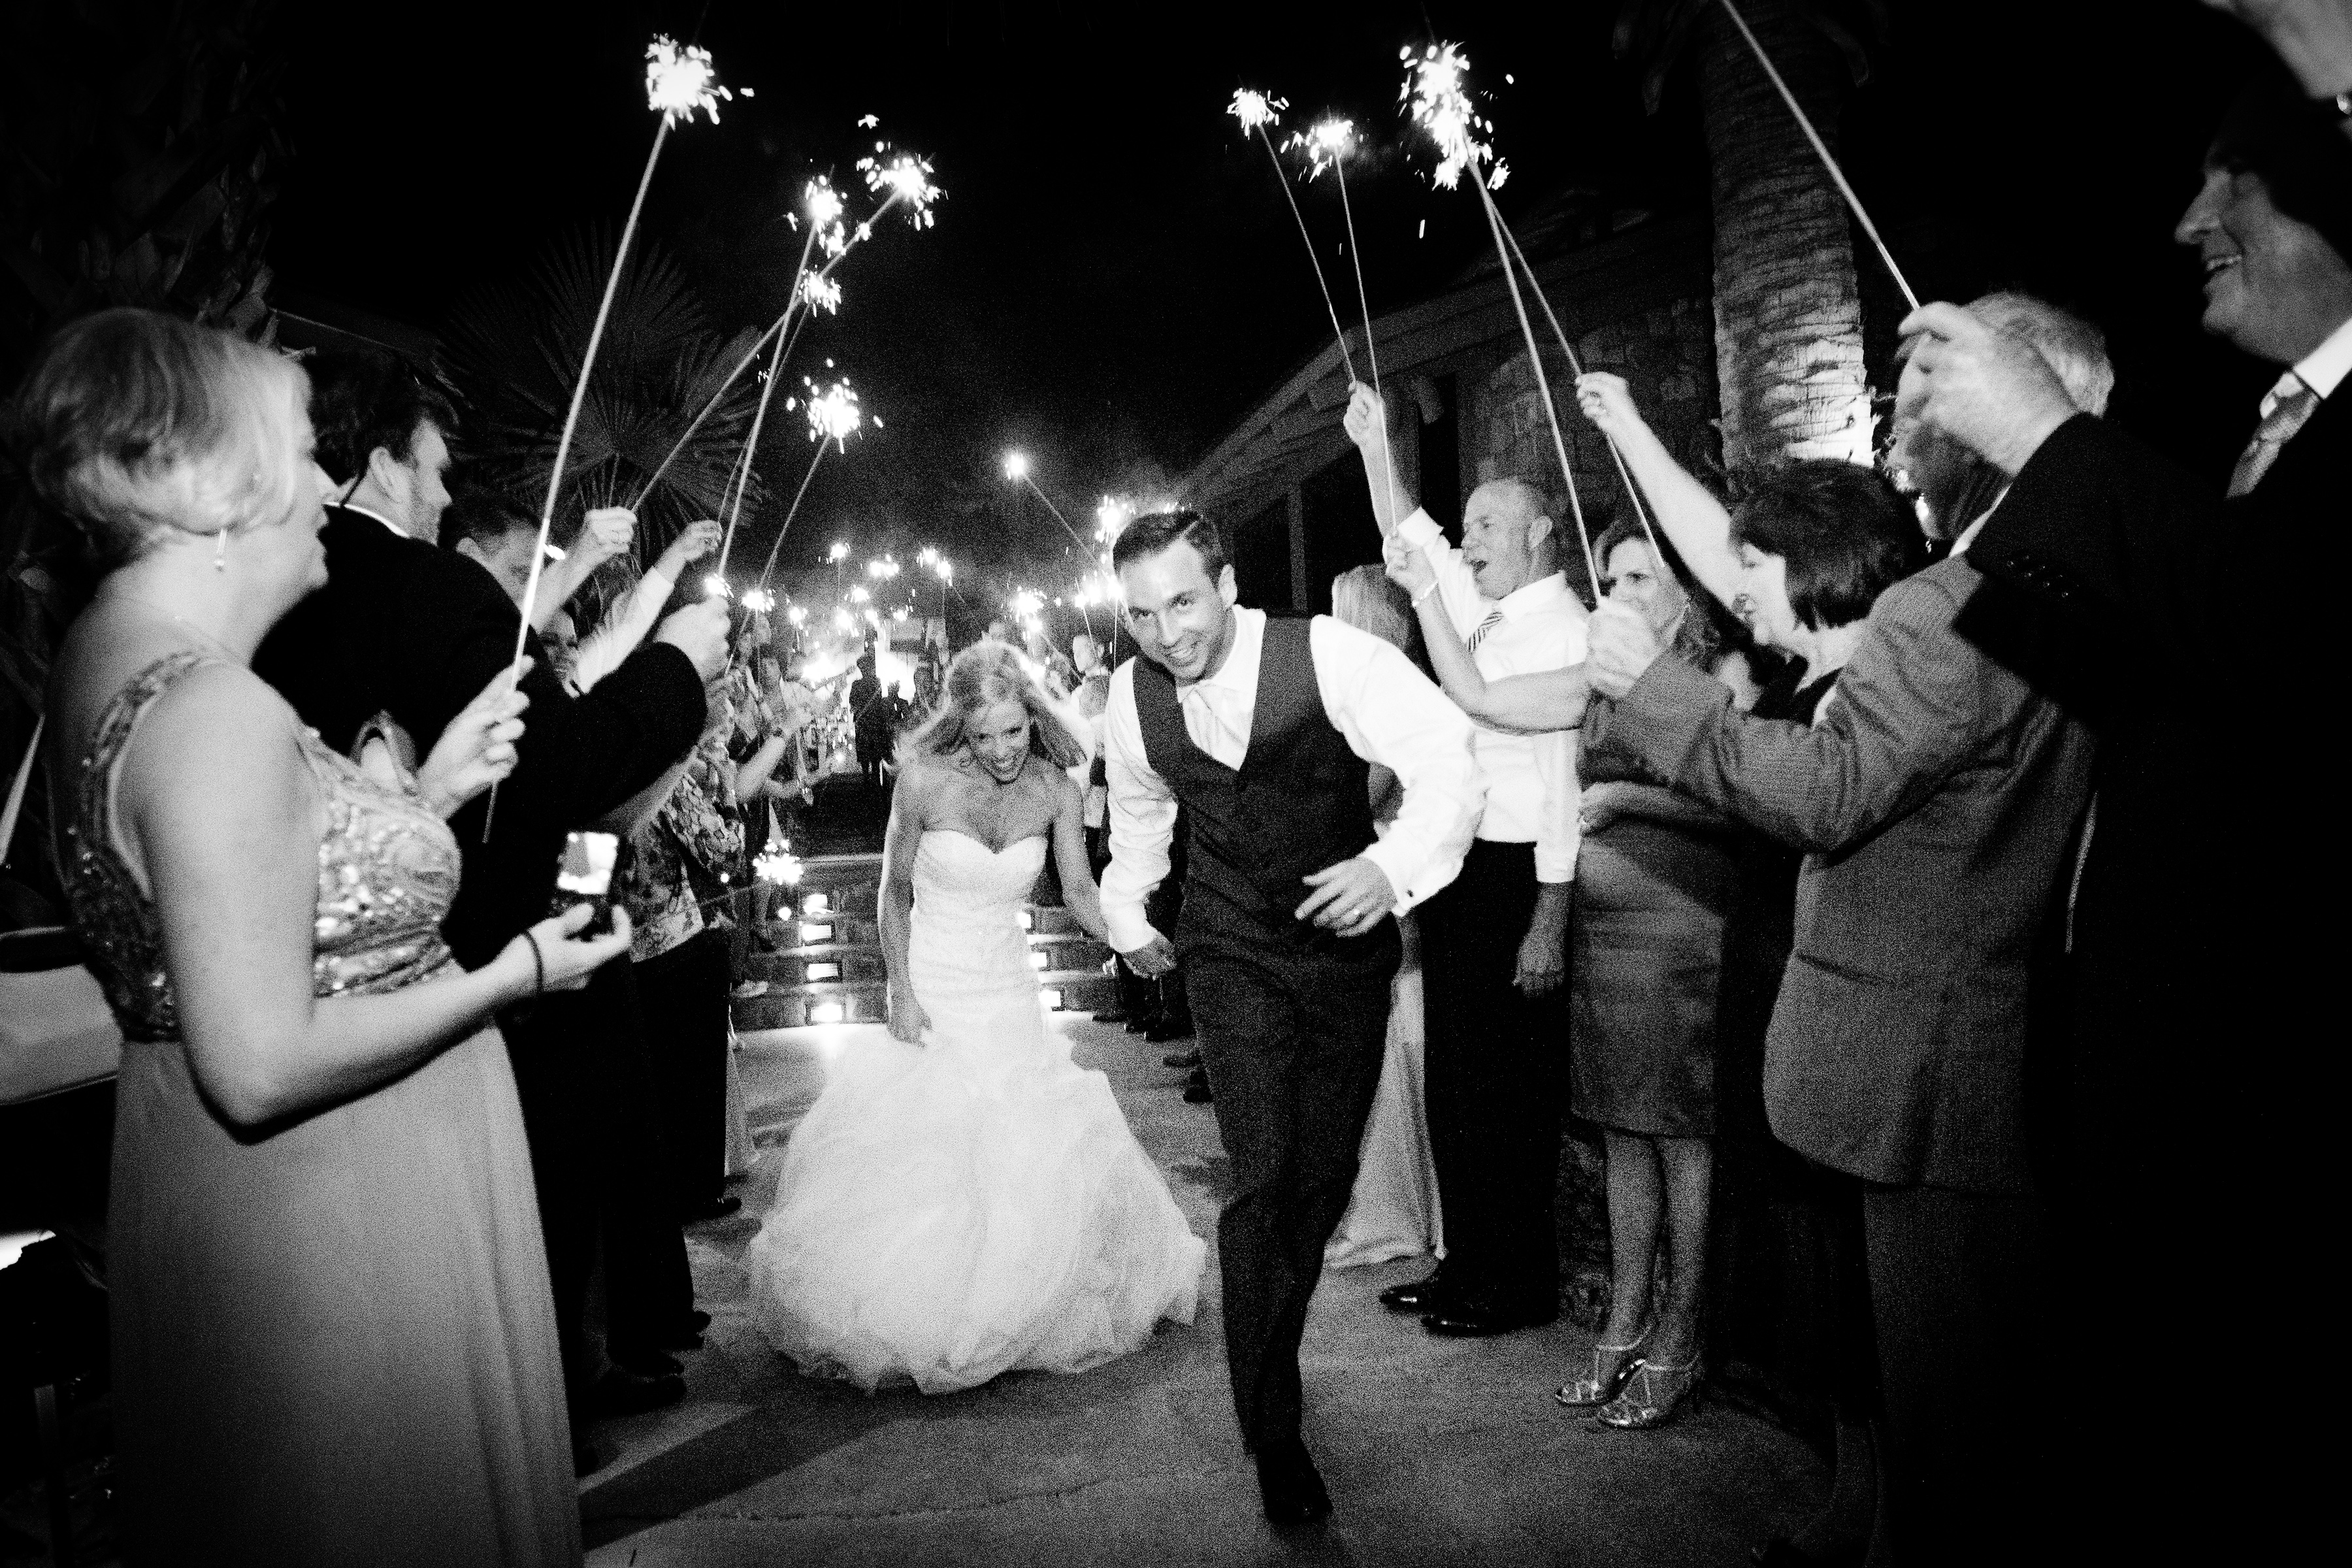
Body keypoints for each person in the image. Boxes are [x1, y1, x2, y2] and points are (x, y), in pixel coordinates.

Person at [17, 308, 636, 1565]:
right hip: (338, 1219)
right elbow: (259, 1063)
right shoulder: (211, 710)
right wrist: (517, 972)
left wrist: (427, 797)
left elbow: (240, 899)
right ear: (213, 490)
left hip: (249, 1185)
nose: (324, 489)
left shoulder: (107, 659)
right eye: (304, 455)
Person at [1895, 67, 2349, 1556]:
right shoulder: (2268, 435)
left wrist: (2046, 437)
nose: (2190, 217)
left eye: (2238, 177)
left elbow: (2272, 626)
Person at [1574, 294, 2107, 1555]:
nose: (1902, 420)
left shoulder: (1958, 601)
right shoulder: (2049, 583)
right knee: (1909, 1386)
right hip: (1934, 1047)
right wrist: (1633, 435)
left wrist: (1649, 690)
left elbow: (1826, 791)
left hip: (1925, 1060)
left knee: (1952, 1418)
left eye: (1926, 385)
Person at [248, 347, 728, 1468]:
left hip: (348, 959)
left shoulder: (280, 609)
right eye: (433, 464)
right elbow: (566, 764)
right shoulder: (420, 587)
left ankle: (563, 1372)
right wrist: (678, 667)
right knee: (548, 1175)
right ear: (381, 461)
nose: (443, 489)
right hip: (477, 952)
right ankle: (538, 1404)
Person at [1100, 509, 1483, 1524]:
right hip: (1227, 949)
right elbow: (1140, 813)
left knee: (1320, 1180)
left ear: (1228, 585)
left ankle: (1276, 1327)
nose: (1167, 633)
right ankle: (1273, 1429)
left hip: (1341, 953)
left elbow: (1451, 756)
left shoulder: (1332, 656)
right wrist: (1129, 912)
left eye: (1184, 602)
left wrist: (1390, 868)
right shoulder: (1131, 697)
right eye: (1142, 614)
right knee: (1263, 1174)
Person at [744, 640, 1205, 1391]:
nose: (1001, 750)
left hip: (1008, 992)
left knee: (1026, 1150)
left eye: (1014, 731)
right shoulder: (924, 781)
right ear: (960, 726)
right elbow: (893, 892)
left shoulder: (1055, 789)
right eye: (984, 735)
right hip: (935, 986)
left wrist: (1130, 938)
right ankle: (930, 1304)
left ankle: (1019, 1302)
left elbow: (1079, 892)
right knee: (928, 1154)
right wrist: (900, 988)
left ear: (1033, 718)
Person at [1343, 387, 1585, 1340]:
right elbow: (1414, 538)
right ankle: (1465, 1264)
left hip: (1521, 877)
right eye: (1470, 523)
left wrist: (1551, 915)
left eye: (1488, 523)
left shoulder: (1561, 628)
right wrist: (1376, 448)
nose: (1469, 537)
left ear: (1540, 533)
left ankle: (1515, 1283)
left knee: (1508, 1094)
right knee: (1456, 1084)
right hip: (1464, 870)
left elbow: (1562, 788)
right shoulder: (1483, 610)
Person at [1320, 566, 1443, 1271]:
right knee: (1394, 1047)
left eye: (1341, 611)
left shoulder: (1389, 691)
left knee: (1399, 1049)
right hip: (1384, 883)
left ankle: (1398, 1217)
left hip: (1396, 885)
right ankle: (1400, 1211)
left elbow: (1359, 796)